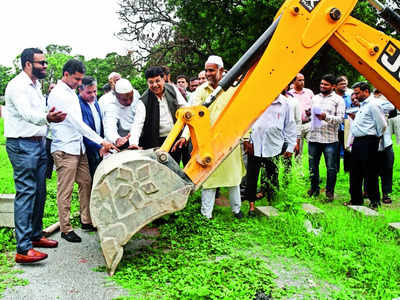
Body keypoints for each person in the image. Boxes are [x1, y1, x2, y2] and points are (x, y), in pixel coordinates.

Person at [4, 48, 66, 263]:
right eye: (42, 63)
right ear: (28, 64)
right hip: (22, 145)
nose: (45, 66)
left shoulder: (36, 85)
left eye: (45, 62)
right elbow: (28, 115)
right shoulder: (17, 86)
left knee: (40, 191)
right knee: (26, 192)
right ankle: (22, 248)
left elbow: (39, 113)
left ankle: (35, 235)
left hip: (38, 143)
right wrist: (49, 118)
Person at [48, 59, 118, 243]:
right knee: (66, 190)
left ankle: (86, 220)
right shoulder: (58, 94)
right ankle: (65, 228)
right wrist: (102, 141)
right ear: (66, 75)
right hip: (65, 148)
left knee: (86, 182)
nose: (79, 83)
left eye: (81, 80)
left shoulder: (70, 92)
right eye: (77, 79)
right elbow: (77, 124)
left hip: (78, 148)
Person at [173, 55, 245, 219]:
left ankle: (236, 210)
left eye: (211, 70)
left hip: (229, 140)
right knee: (209, 179)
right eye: (206, 70)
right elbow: (191, 115)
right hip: (208, 142)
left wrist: (246, 138)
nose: (207, 73)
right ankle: (206, 214)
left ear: (221, 70)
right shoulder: (200, 91)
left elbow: (241, 115)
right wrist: (185, 137)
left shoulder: (233, 89)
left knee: (233, 178)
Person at [245, 90, 297, 217]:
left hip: (274, 144)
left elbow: (290, 125)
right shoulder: (256, 98)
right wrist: (246, 140)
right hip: (255, 144)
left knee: (272, 175)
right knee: (252, 176)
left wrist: (290, 147)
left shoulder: (285, 103)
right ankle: (251, 206)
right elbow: (246, 120)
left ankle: (272, 204)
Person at [129, 66, 187, 163]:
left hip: (175, 138)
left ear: (163, 79)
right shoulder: (143, 101)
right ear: (147, 83)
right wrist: (134, 143)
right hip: (156, 143)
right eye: (151, 82)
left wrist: (184, 135)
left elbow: (185, 109)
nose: (155, 85)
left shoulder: (172, 89)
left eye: (157, 81)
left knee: (177, 168)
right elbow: (137, 124)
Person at [346, 82, 387, 208]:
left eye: (358, 93)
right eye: (354, 93)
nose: (355, 96)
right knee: (355, 172)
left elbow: (382, 124)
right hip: (358, 141)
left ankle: (374, 201)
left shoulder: (373, 105)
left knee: (370, 172)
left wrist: (376, 138)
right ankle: (356, 200)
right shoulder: (362, 106)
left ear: (366, 91)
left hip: (369, 141)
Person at [307, 74, 345, 202]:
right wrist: (309, 113)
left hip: (330, 140)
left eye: (326, 85)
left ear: (333, 86)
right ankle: (314, 189)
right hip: (313, 137)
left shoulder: (338, 100)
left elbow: (340, 119)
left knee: (331, 167)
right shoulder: (315, 98)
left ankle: (329, 192)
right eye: (321, 84)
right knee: (312, 166)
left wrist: (325, 117)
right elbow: (311, 115)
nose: (322, 86)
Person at [103, 78, 143, 150]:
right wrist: (116, 138)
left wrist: (134, 142)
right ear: (117, 96)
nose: (128, 102)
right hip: (119, 142)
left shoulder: (137, 97)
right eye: (124, 100)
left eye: (131, 98)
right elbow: (109, 127)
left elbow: (138, 122)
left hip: (137, 138)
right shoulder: (111, 105)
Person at [371, 89, 395, 204]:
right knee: (371, 168)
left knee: (387, 167)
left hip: (386, 141)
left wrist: (380, 101)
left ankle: (386, 193)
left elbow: (391, 106)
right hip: (371, 140)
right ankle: (369, 192)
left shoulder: (386, 98)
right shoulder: (368, 98)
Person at [78, 76, 104, 178]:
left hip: (99, 145)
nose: (93, 95)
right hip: (88, 148)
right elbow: (84, 130)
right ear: (80, 90)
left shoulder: (95, 101)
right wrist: (99, 146)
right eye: (89, 92)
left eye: (95, 91)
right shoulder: (78, 104)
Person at [289, 73, 314, 164]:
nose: (302, 82)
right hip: (296, 126)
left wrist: (311, 112)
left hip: (308, 123)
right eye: (299, 80)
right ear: (294, 81)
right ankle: (299, 171)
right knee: (297, 149)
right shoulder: (290, 94)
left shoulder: (309, 92)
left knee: (313, 147)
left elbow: (315, 106)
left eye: (303, 80)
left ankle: (313, 168)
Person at [335, 76, 352, 173]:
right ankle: (336, 170)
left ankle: (347, 170)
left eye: (345, 84)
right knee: (335, 149)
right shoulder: (332, 97)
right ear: (336, 86)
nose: (344, 86)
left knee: (347, 148)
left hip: (347, 126)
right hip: (335, 126)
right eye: (341, 84)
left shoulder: (349, 97)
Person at [45, 83, 56, 179]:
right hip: (48, 135)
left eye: (54, 88)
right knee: (48, 158)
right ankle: (48, 175)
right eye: (51, 87)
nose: (52, 89)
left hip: (57, 136)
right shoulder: (46, 100)